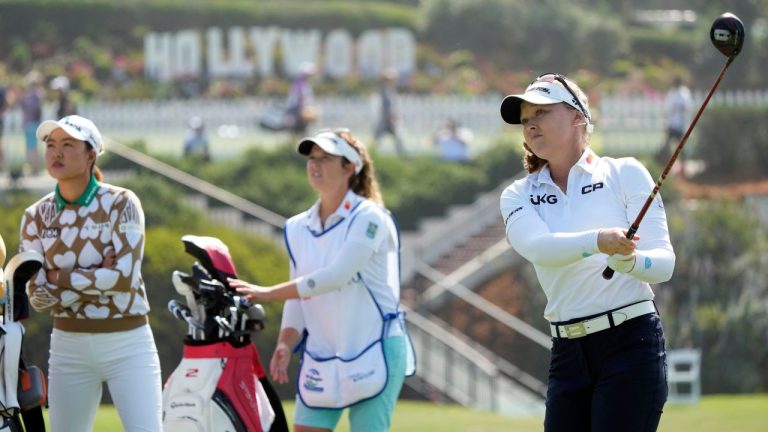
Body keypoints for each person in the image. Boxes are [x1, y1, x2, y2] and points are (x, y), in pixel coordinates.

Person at [498, 73, 675, 432]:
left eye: (542, 114)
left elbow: (664, 264)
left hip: (631, 342)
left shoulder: (624, 173)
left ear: (578, 116)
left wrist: (632, 262)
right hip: (567, 354)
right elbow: (538, 247)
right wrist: (599, 241)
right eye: (526, 120)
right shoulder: (517, 194)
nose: (531, 125)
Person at [228, 129, 414, 432]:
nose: (315, 165)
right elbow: (301, 292)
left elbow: (336, 276)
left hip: (376, 346)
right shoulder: (298, 227)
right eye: (312, 159)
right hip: (322, 354)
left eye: (326, 159)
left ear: (349, 167)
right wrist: (286, 342)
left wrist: (266, 293)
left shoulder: (370, 218)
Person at [19, 115, 162, 431]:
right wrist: (96, 273)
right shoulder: (35, 216)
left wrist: (58, 276)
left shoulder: (122, 202)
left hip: (129, 346)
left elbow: (123, 279)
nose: (57, 152)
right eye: (51, 145)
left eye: (68, 145)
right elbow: (37, 297)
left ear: (91, 155)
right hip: (68, 347)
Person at [373, 69, 406, 156]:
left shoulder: (391, 91)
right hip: (385, 120)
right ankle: (370, 155)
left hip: (390, 120)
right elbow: (386, 107)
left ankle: (402, 156)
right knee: (376, 140)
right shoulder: (384, 91)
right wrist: (390, 116)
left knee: (398, 139)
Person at [284, 61, 318, 135]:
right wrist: (304, 108)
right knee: (298, 128)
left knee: (302, 129)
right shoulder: (299, 82)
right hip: (298, 108)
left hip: (300, 108)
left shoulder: (305, 82)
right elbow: (300, 97)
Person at [20, 70, 44, 174]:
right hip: (30, 123)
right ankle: (33, 168)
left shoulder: (35, 95)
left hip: (32, 123)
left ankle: (35, 168)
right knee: (31, 147)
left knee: (31, 147)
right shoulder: (34, 95)